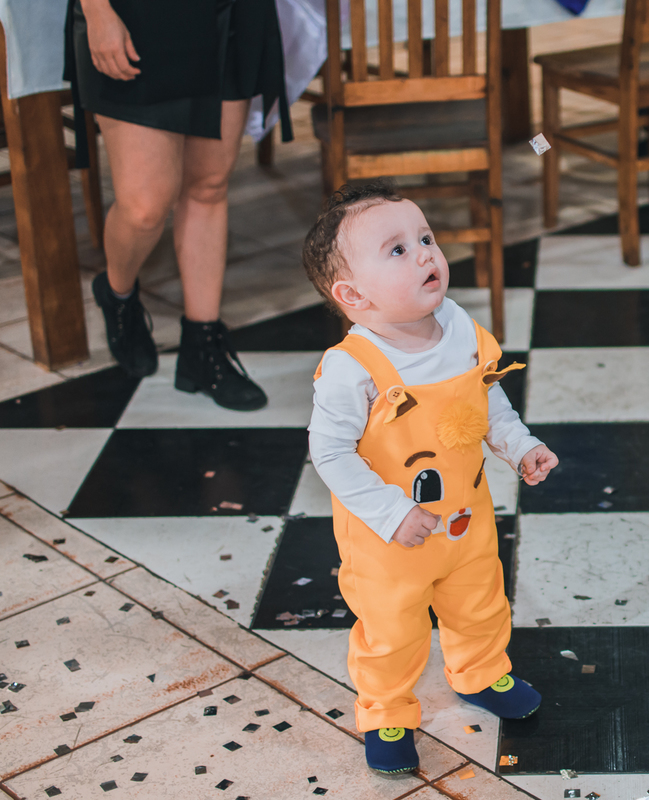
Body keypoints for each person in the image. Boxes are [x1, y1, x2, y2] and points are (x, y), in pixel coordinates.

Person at [302, 183, 559, 774]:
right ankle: (387, 708)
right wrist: (392, 513)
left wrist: (520, 446)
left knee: (480, 601)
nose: (425, 254)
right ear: (351, 295)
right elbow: (331, 454)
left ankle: (480, 672)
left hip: (466, 517)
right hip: (387, 538)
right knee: (392, 627)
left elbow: (485, 403)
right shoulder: (351, 368)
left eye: (425, 238)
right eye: (396, 250)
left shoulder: (459, 327)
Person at [65, 0, 293, 410]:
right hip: (135, 16)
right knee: (144, 206)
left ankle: (201, 348)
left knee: (208, 186)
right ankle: (117, 294)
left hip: (227, 14)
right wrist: (98, 12)